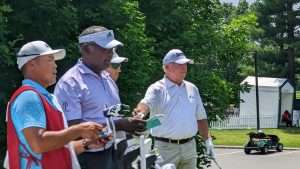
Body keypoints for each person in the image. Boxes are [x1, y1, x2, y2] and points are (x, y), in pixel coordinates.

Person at [54, 26, 146, 169]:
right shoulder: (71, 83)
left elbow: (113, 117)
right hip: (86, 157)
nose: (110, 54)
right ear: (86, 49)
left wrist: (130, 125)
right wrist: (120, 125)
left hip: (113, 153)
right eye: (106, 49)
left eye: (112, 50)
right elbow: (73, 131)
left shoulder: (107, 79)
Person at [6, 40, 104, 169]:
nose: (55, 65)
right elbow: (38, 143)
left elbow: (57, 147)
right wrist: (79, 130)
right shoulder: (28, 97)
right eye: (50, 59)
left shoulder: (46, 98)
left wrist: (87, 143)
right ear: (32, 64)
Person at [134, 49, 215, 169]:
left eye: (185, 64)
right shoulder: (157, 89)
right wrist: (140, 113)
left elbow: (201, 117)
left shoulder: (192, 88)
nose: (184, 68)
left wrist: (207, 140)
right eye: (179, 65)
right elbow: (145, 104)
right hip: (165, 149)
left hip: (190, 147)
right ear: (166, 67)